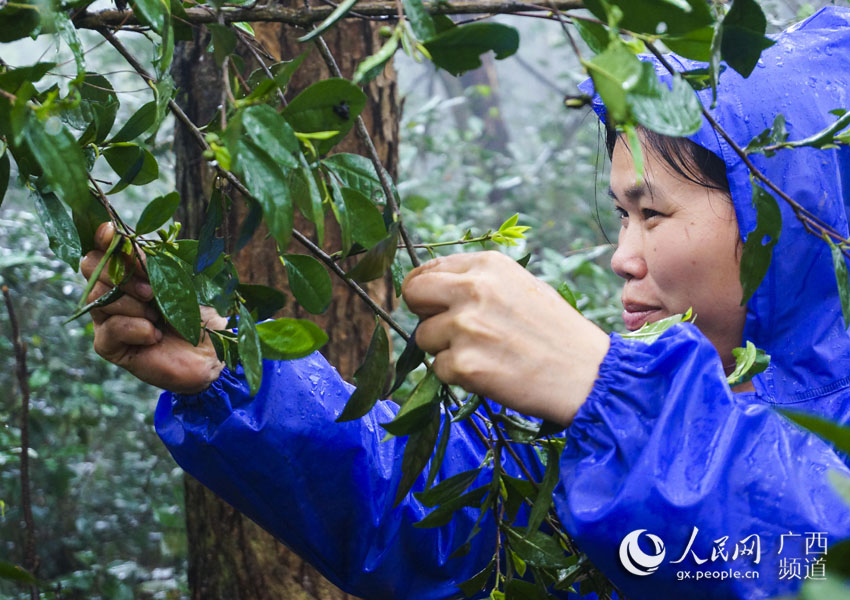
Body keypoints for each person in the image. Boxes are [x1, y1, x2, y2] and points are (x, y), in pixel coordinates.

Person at [81, 6, 850, 599]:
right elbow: (446, 530)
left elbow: (798, 555)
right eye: (621, 215)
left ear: (783, 221)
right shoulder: (676, 395)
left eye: (654, 214)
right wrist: (233, 377)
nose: (623, 255)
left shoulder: (662, 407)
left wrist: (607, 395)